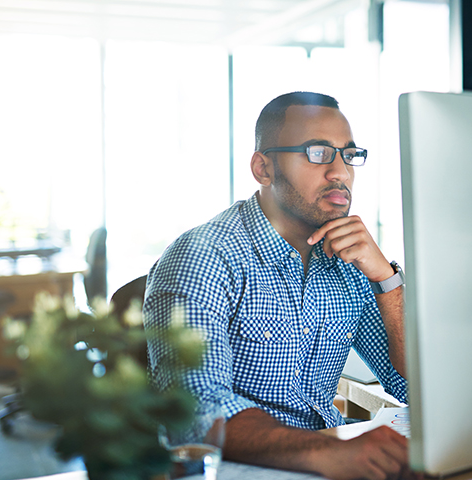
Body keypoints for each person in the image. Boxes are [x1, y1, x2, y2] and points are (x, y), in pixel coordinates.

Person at [144, 91, 414, 479]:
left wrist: (387, 280)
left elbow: (412, 385)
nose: (340, 172)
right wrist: (330, 451)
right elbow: (197, 413)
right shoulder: (203, 257)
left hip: (327, 462)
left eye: (348, 155)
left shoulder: (351, 258)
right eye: (318, 153)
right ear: (263, 168)